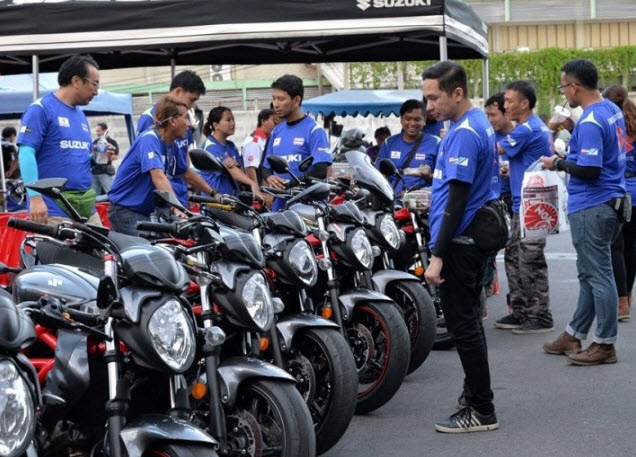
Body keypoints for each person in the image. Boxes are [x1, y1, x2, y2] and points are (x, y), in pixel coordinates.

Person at [422, 60, 499, 433]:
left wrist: (437, 255)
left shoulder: (466, 132)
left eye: (434, 98)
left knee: (463, 327)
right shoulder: (471, 123)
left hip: (460, 243)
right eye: (426, 98)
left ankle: (482, 409)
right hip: (468, 239)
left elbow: (457, 198)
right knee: (470, 322)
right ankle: (474, 395)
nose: (429, 107)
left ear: (457, 93)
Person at [541, 59, 627, 366]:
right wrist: (573, 131)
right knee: (590, 273)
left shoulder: (591, 120)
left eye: (564, 86)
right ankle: (574, 333)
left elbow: (590, 169)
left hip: (593, 204)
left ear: (574, 86)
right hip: (609, 201)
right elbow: (600, 150)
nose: (564, 92)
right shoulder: (610, 110)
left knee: (599, 275)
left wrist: (557, 163)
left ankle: (605, 343)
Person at [493, 81, 555, 335]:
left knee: (530, 259)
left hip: (532, 205)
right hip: (526, 203)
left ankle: (540, 315)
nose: (505, 105)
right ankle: (520, 311)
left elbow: (493, 149)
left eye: (509, 101)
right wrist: (512, 171)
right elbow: (530, 162)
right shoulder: (530, 127)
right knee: (514, 257)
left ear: (525, 103)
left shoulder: (527, 129)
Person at [108, 96, 215, 235]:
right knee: (149, 248)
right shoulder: (149, 139)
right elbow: (158, 175)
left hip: (147, 210)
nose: (189, 124)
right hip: (126, 211)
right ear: (172, 121)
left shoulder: (171, 144)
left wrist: (214, 194)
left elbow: (186, 172)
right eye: (185, 118)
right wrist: (176, 207)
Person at [16, 54, 101, 225]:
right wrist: (35, 197)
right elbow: (26, 153)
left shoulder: (80, 115)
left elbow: (77, 156)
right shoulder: (41, 109)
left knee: (102, 243)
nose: (96, 91)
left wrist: (97, 158)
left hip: (85, 207)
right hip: (52, 209)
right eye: (94, 84)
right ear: (76, 81)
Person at [136, 70, 208, 207]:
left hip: (180, 197)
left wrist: (190, 190)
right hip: (162, 201)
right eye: (192, 100)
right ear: (178, 92)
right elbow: (153, 171)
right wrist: (173, 206)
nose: (192, 106)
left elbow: (184, 164)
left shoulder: (184, 122)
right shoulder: (150, 119)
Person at [261, 74, 332, 210]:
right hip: (281, 209)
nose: (275, 104)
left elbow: (320, 170)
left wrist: (289, 184)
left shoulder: (314, 130)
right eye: (274, 98)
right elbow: (265, 167)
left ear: (296, 100)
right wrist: (270, 178)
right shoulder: (276, 131)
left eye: (281, 99)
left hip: (308, 210)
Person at [603, 84, 636, 321]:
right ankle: (627, 297)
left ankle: (621, 300)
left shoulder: (612, 126)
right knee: (632, 248)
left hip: (620, 191)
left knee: (616, 247)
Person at [483, 92, 515, 299]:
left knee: (515, 253)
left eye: (493, 115)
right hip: (492, 199)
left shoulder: (521, 135)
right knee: (487, 249)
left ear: (506, 113)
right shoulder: (487, 135)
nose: (490, 119)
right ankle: (484, 290)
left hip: (514, 199)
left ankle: (517, 300)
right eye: (487, 115)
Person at [376, 99, 439, 193]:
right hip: (393, 199)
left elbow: (445, 176)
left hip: (422, 200)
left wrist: (429, 176)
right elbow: (380, 174)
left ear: (424, 120)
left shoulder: (436, 143)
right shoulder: (388, 143)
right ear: (401, 119)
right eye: (408, 119)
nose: (412, 123)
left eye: (417, 119)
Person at [199, 106, 262, 199]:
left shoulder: (231, 145)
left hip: (231, 200)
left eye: (233, 120)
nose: (233, 123)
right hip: (216, 202)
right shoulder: (211, 146)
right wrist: (252, 183)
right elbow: (231, 170)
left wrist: (238, 165)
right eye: (228, 120)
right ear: (216, 125)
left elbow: (242, 172)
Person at [242, 108, 275, 184]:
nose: (275, 124)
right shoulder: (254, 141)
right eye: (273, 120)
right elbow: (250, 168)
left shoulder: (266, 139)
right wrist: (256, 188)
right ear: (263, 121)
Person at [90, 122, 119, 196]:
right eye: (96, 131)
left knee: (110, 193)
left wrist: (106, 157)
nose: (97, 133)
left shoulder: (112, 142)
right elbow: (91, 154)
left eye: (99, 131)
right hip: (95, 172)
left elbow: (116, 156)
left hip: (105, 172)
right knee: (94, 195)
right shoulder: (95, 142)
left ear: (105, 131)